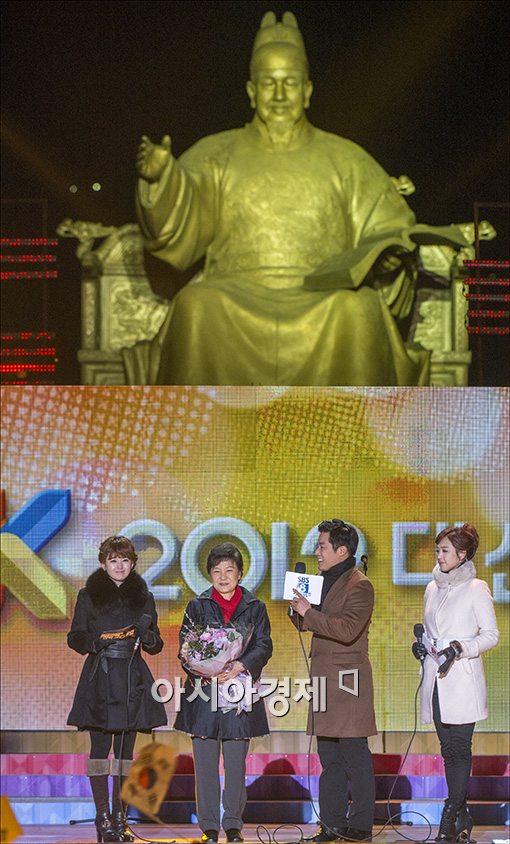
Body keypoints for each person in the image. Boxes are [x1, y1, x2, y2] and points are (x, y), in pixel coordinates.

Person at [133, 11, 469, 387]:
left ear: (307, 91)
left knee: (357, 310)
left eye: (289, 83)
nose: (279, 96)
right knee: (196, 305)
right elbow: (177, 227)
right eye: (268, 83)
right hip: (234, 291)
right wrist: (160, 180)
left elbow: (389, 225)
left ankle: (353, 422)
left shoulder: (346, 159)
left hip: (325, 296)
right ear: (251, 91)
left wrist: (388, 255)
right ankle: (202, 421)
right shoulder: (216, 154)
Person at [67, 536, 167, 843]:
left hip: (132, 678)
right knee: (99, 750)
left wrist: (147, 636)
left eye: (125, 560)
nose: (119, 566)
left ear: (133, 564)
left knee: (125, 752)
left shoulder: (144, 597)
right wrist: (95, 643)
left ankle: (120, 818)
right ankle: (103, 818)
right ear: (103, 563)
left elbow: (156, 644)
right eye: (113, 560)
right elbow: (75, 637)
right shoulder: (88, 595)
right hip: (100, 675)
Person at [174, 542, 273, 844]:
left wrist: (240, 665)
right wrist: (206, 668)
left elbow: (264, 644)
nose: (223, 576)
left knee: (235, 763)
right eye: (217, 571)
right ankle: (209, 827)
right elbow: (186, 647)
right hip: (204, 692)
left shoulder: (255, 607)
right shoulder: (197, 605)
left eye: (229, 570)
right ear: (210, 575)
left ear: (240, 573)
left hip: (238, 690)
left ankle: (233, 825)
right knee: (205, 765)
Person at [289, 520, 376, 842]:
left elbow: (347, 629)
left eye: (322, 546)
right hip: (324, 680)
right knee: (329, 759)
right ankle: (332, 824)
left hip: (348, 681)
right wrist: (298, 611)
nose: (317, 552)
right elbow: (308, 623)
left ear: (342, 550)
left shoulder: (359, 584)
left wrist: (308, 613)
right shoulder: (320, 581)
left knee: (355, 756)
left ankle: (361, 826)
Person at [412, 524, 499, 843]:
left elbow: (491, 635)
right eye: (438, 550)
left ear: (462, 554)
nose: (439, 555)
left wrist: (461, 648)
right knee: (448, 750)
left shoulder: (477, 588)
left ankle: (450, 813)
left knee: (460, 748)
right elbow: (430, 631)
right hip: (436, 679)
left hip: (461, 680)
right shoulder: (431, 587)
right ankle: (462, 817)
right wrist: (421, 646)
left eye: (445, 550)